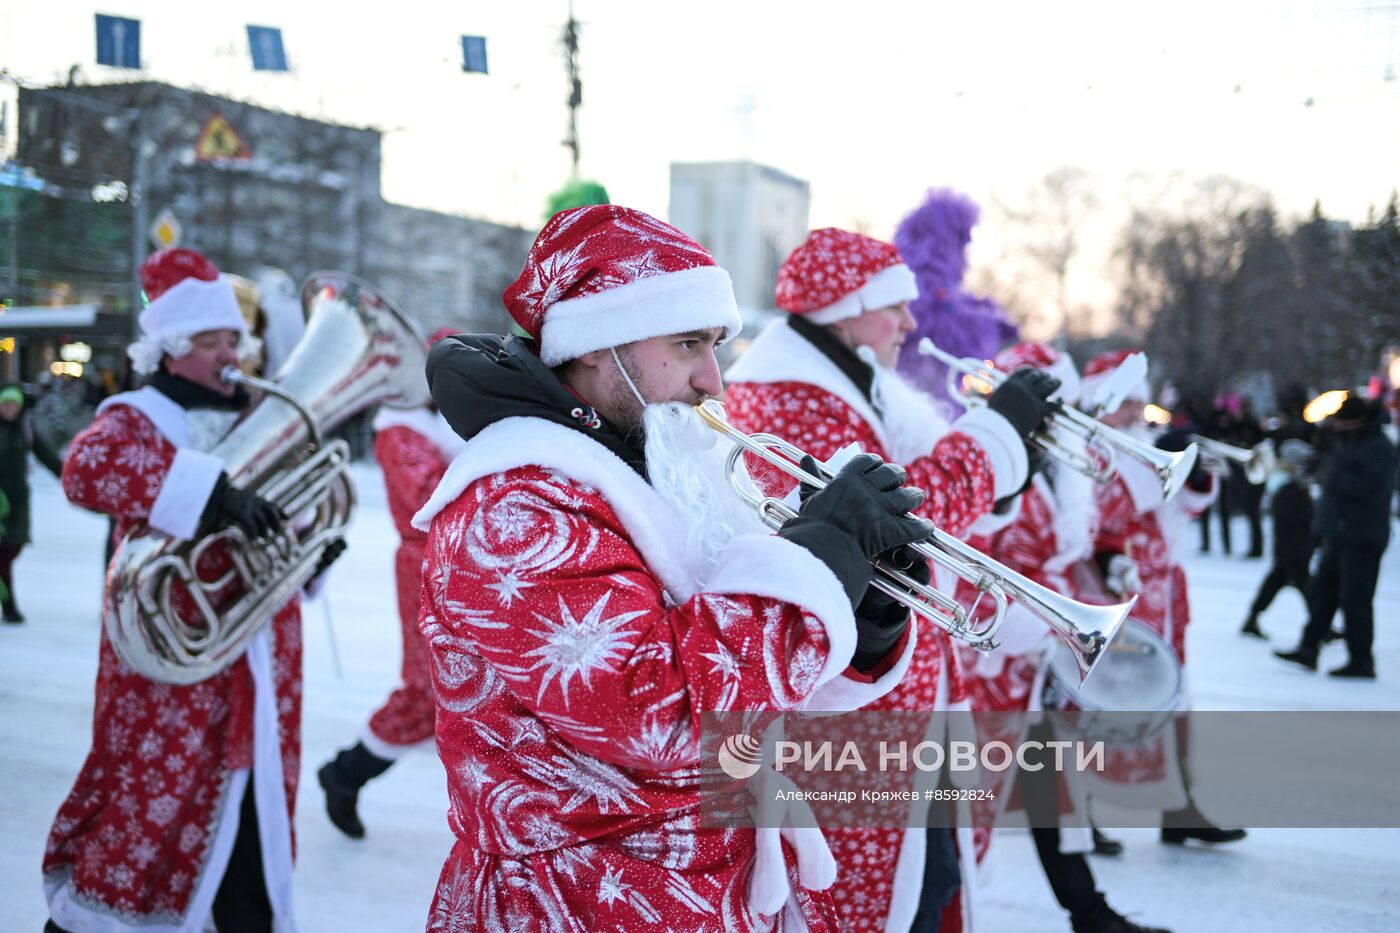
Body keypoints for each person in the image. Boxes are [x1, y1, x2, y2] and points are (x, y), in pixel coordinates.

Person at [416, 205, 933, 930]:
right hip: (576, 903)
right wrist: (812, 570)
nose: (712, 380)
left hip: (696, 889)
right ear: (597, 344)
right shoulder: (515, 503)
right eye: (688, 344)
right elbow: (657, 713)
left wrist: (864, 611)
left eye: (717, 345)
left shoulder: (645, 465)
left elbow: (744, 673)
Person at [723, 228, 1057, 932]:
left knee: (928, 885)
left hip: (893, 708)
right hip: (851, 716)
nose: (910, 323)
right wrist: (992, 440)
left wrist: (1003, 457)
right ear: (848, 310)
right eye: (894, 307)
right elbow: (890, 521)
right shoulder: (789, 397)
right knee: (894, 898)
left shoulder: (845, 383)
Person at [42, 248, 305, 933]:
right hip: (169, 656)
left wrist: (299, 534)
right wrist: (211, 493)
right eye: (213, 342)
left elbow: (295, 502)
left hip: (258, 653)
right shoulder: (137, 411)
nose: (230, 355)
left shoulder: (255, 409)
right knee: (150, 801)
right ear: (171, 347)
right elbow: (87, 469)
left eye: (234, 341)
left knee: (254, 814)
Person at [954, 343, 1169, 933]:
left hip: (1039, 656)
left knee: (1052, 785)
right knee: (962, 808)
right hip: (989, 666)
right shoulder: (992, 465)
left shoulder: (1057, 464)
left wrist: (1107, 571)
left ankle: (1088, 910)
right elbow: (971, 566)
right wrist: (1039, 625)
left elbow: (1090, 537)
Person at [1085, 350, 1246, 849]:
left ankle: (1179, 806)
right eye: (1126, 402)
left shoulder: (1143, 447)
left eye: (1140, 401)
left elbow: (1186, 509)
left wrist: (1195, 474)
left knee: (1175, 702)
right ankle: (1079, 811)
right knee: (1101, 710)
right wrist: (1159, 467)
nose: (1137, 412)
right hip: (1110, 596)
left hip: (1165, 595)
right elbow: (1099, 513)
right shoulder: (1086, 451)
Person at [318, 329, 466, 839]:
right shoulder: (398, 431)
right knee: (426, 688)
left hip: (464, 563)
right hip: (423, 564)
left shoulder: (449, 423)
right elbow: (430, 493)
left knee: (463, 687)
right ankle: (346, 773)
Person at [1274, 396, 1397, 679]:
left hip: (1363, 535)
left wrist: (1332, 473)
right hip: (1339, 532)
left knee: (1356, 599)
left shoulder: (1379, 447)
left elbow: (1373, 490)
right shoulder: (1349, 441)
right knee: (1323, 593)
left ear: (1355, 422)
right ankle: (1308, 647)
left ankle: (1361, 660)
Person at [0, 383, 64, 623]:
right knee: (3, 557)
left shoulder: (24, 428)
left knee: (13, 549)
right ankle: (9, 606)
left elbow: (45, 455)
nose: (10, 409)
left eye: (13, 404)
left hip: (17, 500)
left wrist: (68, 476)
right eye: (6, 404)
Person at [1241, 439, 1316, 638]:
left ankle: (1252, 618)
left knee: (1280, 583)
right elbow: (1294, 517)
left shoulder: (1289, 483)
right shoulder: (1285, 485)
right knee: (1306, 586)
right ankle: (1320, 623)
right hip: (1293, 545)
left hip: (1292, 545)